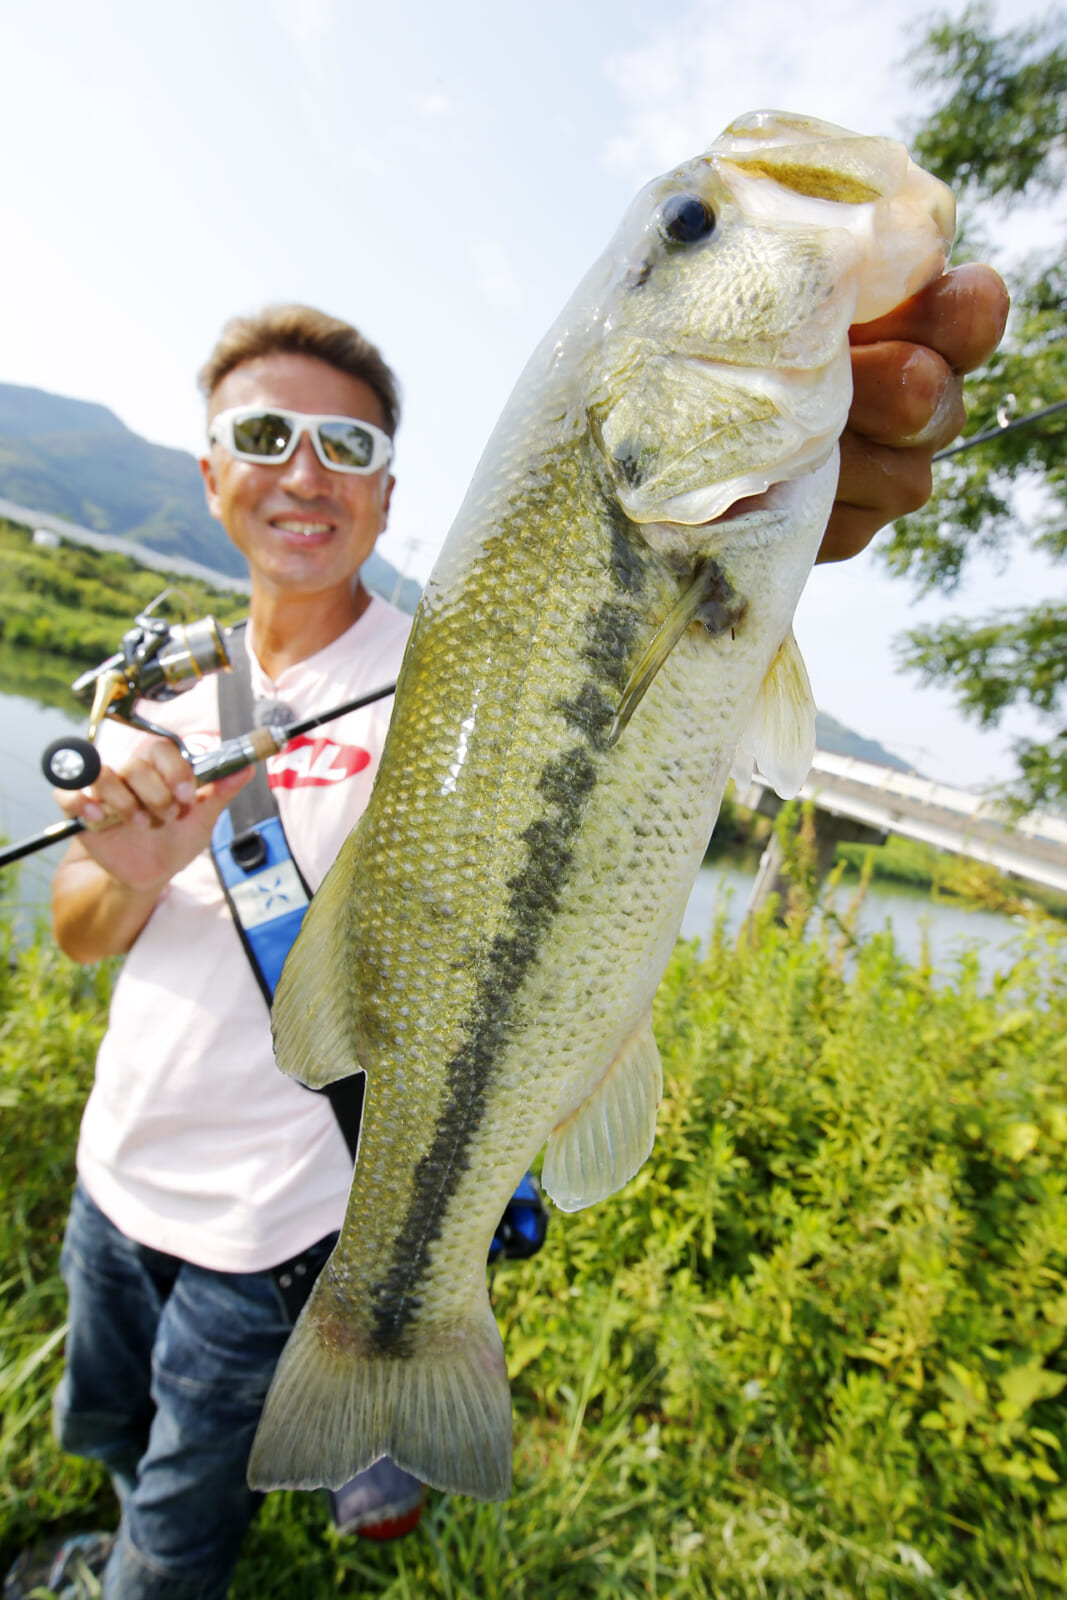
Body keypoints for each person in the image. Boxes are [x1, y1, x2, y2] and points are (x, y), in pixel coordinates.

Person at [29, 265, 1006, 1600]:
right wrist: (130, 866)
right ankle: (113, 1537)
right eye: (263, 438)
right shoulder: (174, 675)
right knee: (109, 1429)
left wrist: (770, 503)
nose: (304, 471)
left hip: (281, 1233)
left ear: (389, 488)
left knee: (183, 1519)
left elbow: (615, 641)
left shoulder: (459, 662)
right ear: (210, 477)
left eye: (348, 445)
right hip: (118, 1175)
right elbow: (84, 931)